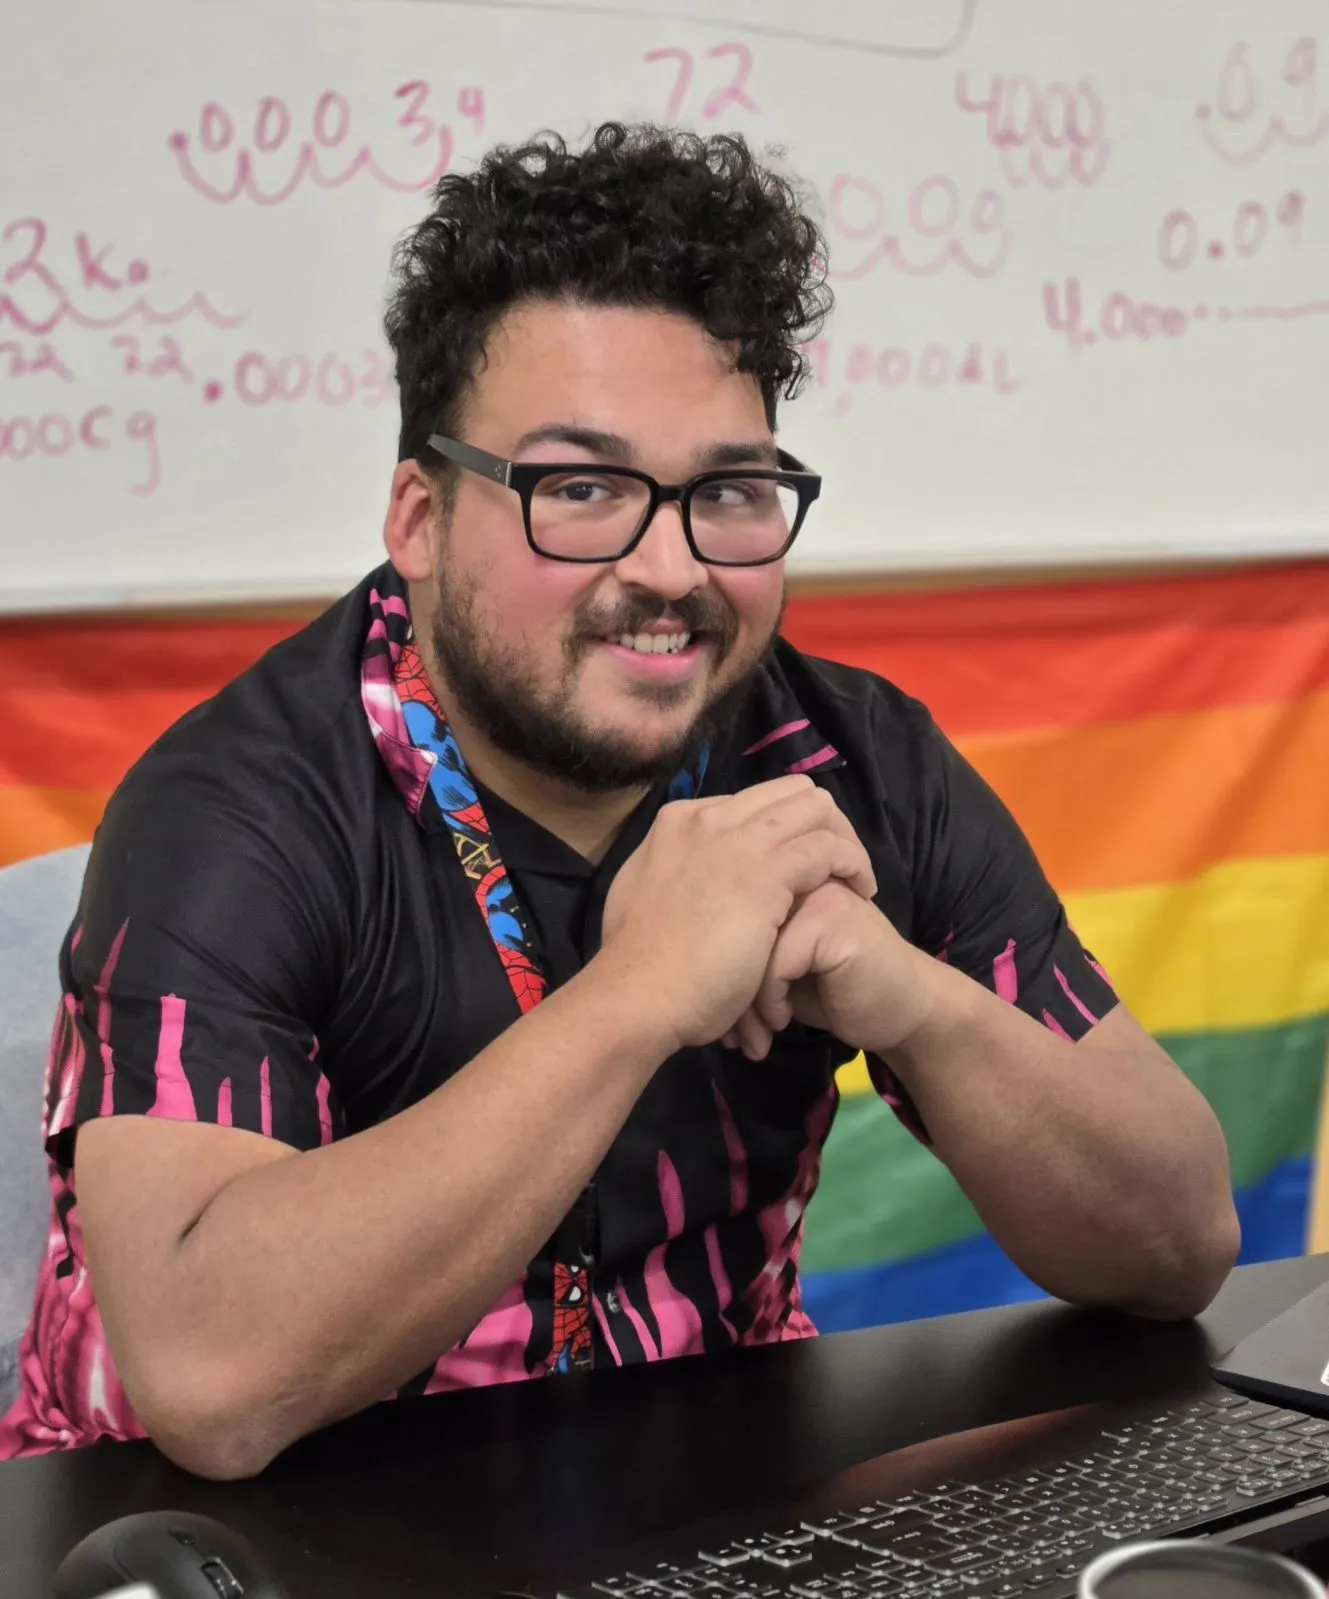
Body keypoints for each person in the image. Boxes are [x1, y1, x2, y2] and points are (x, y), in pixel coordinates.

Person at [0, 123, 1239, 1480]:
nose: (669, 567)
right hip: (230, 1542)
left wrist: (905, 996)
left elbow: (1181, 1241)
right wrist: (642, 991)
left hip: (717, 1510)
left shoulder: (851, 765)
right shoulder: (236, 807)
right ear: (418, 514)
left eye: (728, 490)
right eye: (579, 489)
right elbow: (211, 1381)